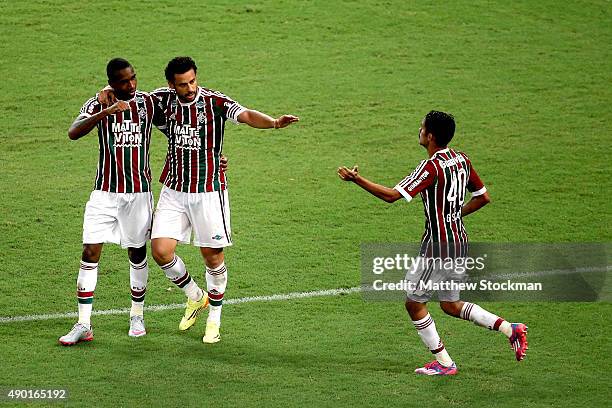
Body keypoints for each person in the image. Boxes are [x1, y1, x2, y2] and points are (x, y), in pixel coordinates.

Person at [119, 56, 298, 344]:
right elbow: (128, 93)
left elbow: (246, 115)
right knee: (160, 251)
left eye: (192, 81)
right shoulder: (162, 100)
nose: (189, 88)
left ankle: (214, 317)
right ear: (171, 85)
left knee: (211, 257)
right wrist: (105, 90)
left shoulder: (215, 102)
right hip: (174, 189)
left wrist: (275, 123)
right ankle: (195, 296)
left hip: (208, 192)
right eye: (182, 84)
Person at [337, 110, 528, 375]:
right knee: (450, 304)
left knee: (414, 302)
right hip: (459, 241)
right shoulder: (462, 159)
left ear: (431, 136)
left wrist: (357, 180)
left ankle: (445, 364)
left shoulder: (431, 167)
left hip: (438, 247)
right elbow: (483, 197)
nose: (419, 130)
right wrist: (453, 214)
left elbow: (392, 196)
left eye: (422, 127)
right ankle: (510, 328)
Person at [60, 58, 229, 345]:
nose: (131, 85)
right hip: (104, 191)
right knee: (89, 251)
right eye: (124, 81)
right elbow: (74, 131)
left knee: (138, 253)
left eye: (133, 78)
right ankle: (83, 324)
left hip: (139, 193)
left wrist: (211, 161)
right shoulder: (99, 102)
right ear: (112, 83)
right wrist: (107, 110)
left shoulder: (148, 104)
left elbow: (181, 133)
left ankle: (136, 315)